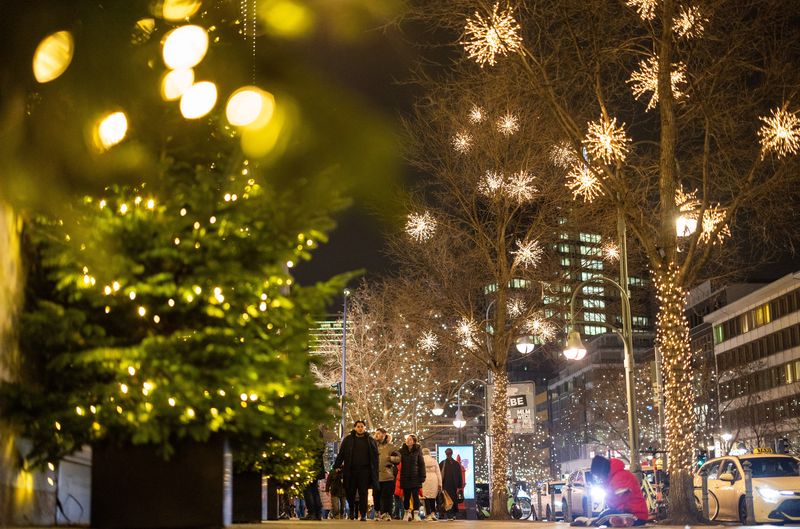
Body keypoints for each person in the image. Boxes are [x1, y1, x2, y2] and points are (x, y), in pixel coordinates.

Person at [334, 420, 379, 521]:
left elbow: (375, 456)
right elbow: (341, 453)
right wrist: (337, 465)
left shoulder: (370, 440)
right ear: (355, 427)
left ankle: (363, 514)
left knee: (363, 493)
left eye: (362, 426)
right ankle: (351, 510)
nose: (360, 428)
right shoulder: (348, 439)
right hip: (351, 470)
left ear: (364, 427)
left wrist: (375, 469)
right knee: (350, 492)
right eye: (358, 426)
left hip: (365, 471)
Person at [588, 455, 648, 526]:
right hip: (630, 513)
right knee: (608, 515)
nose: (599, 478)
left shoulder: (621, 476)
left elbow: (622, 498)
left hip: (635, 514)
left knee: (606, 515)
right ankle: (622, 521)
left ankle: (592, 523)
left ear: (602, 471)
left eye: (598, 475)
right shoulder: (612, 478)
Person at [399, 434, 426, 522]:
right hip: (405, 477)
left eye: (410, 439)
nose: (408, 441)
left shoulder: (418, 451)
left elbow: (421, 464)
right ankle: (406, 513)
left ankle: (416, 514)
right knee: (406, 497)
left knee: (415, 496)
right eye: (407, 439)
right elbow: (397, 461)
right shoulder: (402, 451)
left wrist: (423, 476)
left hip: (416, 477)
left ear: (414, 441)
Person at [373, 428, 397, 521]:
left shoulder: (391, 446)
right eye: (376, 433)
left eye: (378, 433)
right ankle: (377, 512)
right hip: (376, 476)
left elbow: (398, 458)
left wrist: (390, 458)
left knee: (387, 496)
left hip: (387, 476)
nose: (376, 435)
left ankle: (387, 513)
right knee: (376, 495)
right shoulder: (373, 446)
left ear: (384, 434)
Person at [439, 448, 463, 520]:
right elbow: (459, 475)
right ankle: (451, 514)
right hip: (451, 485)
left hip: (447, 484)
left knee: (447, 499)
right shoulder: (456, 463)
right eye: (448, 453)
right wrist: (459, 485)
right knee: (450, 499)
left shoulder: (443, 463)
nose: (448, 454)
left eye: (449, 453)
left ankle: (449, 514)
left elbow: (439, 474)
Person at [421, 447, 442, 521]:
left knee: (426, 497)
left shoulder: (421, 460)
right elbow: (438, 473)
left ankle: (428, 514)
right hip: (434, 479)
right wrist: (440, 483)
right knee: (433, 497)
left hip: (425, 479)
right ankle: (433, 513)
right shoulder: (434, 460)